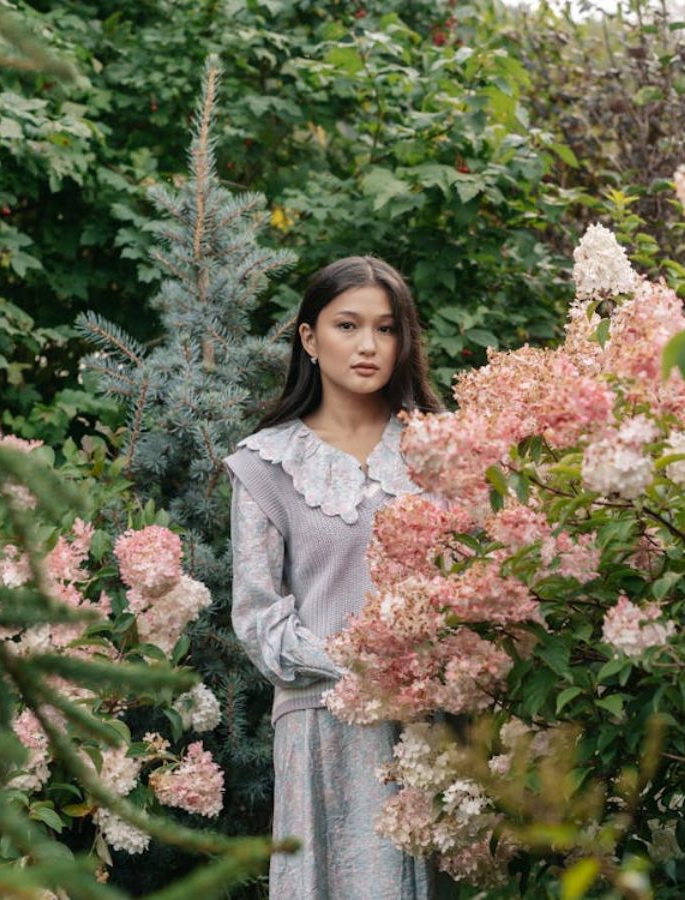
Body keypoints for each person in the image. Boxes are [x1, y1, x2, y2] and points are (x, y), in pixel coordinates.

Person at [221, 256, 447, 899]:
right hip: (321, 723)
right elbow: (259, 618)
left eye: (386, 327)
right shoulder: (265, 465)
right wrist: (362, 666)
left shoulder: (440, 451)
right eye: (347, 325)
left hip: (426, 724)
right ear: (309, 338)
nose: (369, 345)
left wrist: (424, 666)